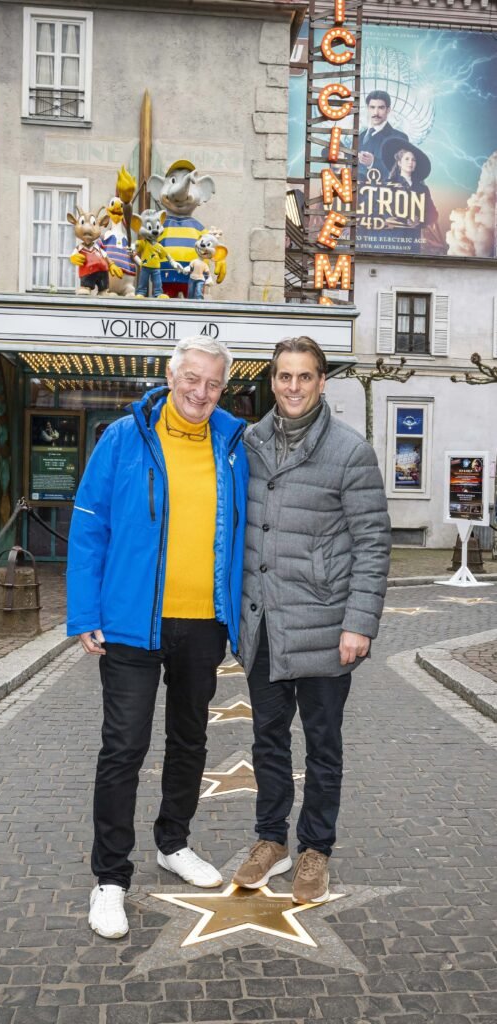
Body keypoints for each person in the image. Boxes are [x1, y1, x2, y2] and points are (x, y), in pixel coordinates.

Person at [67, 336, 249, 939]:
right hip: (130, 623)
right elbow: (90, 524)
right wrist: (83, 609)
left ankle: (174, 842)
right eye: (191, 379)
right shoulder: (124, 437)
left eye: (213, 383)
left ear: (225, 386)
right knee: (123, 748)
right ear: (170, 376)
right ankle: (110, 879)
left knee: (191, 740)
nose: (200, 392)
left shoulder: (234, 443)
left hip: (204, 622)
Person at [232, 337, 390, 905]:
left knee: (323, 745)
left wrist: (360, 623)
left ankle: (315, 847)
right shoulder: (246, 443)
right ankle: (271, 839)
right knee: (267, 740)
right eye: (283, 377)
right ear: (271, 382)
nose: (292, 387)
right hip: (265, 626)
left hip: (326, 626)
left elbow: (373, 544)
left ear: (323, 382)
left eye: (304, 376)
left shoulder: (350, 451)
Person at [384, 139, 440, 247]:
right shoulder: (388, 185)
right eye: (407, 159)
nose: (410, 162)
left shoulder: (422, 189)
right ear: (399, 163)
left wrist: (419, 221)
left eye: (413, 160)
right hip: (391, 240)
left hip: (413, 242)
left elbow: (433, 214)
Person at [358, 90, 408, 182]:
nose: (376, 113)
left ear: (388, 110)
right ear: (368, 109)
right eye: (372, 107)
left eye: (381, 108)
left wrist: (373, 163)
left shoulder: (399, 138)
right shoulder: (360, 136)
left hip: (385, 194)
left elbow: (401, 172)